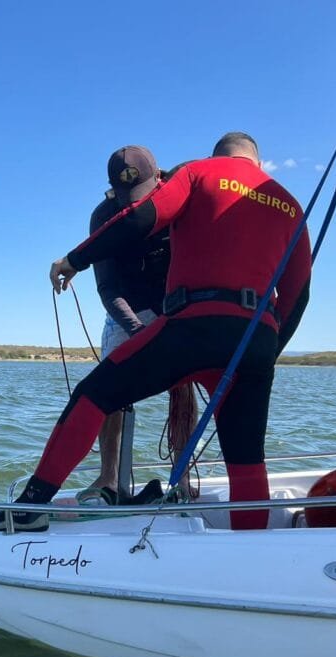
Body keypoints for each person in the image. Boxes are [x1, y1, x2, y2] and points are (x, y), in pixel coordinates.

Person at [0, 132, 312, 532]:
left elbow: (143, 217)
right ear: (258, 164)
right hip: (254, 339)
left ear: (217, 156)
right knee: (246, 459)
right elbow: (297, 297)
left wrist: (75, 258)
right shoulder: (290, 204)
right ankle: (251, 544)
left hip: (192, 325)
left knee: (94, 395)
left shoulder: (198, 172)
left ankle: (30, 507)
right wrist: (267, 352)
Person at [81, 146, 196, 503]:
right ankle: (108, 479)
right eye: (123, 195)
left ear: (158, 178)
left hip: (174, 305)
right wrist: (138, 330)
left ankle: (183, 477)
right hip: (126, 309)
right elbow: (107, 287)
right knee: (109, 390)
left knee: (183, 389)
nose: (131, 204)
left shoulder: (177, 196)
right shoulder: (102, 215)